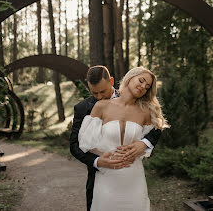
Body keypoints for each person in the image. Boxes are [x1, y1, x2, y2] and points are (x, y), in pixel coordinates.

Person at [69, 66, 163, 210]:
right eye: (94, 93)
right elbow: (76, 145)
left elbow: (157, 128)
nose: (99, 96)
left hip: (133, 176)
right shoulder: (84, 108)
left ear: (111, 81)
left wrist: (144, 143)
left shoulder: (140, 102)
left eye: (102, 91)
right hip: (102, 174)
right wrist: (98, 161)